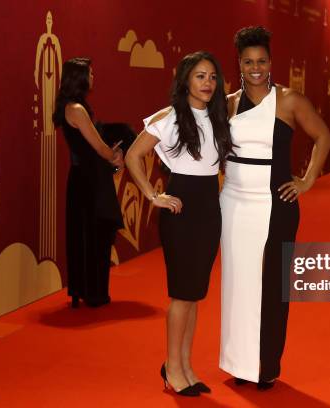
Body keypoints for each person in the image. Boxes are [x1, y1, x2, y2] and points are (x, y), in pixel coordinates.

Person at [220, 26, 330, 390]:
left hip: (277, 203)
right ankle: (239, 363)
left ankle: (265, 366)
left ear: (271, 62)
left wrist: (307, 180)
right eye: (248, 62)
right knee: (238, 284)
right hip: (235, 203)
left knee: (271, 287)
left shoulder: (289, 100)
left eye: (262, 61)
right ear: (239, 63)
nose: (255, 68)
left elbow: (323, 137)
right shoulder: (229, 103)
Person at [125, 51, 233, 397]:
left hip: (209, 207)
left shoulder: (218, 117)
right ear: (186, 79)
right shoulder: (169, 117)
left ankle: (185, 366)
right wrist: (151, 194)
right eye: (200, 76)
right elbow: (133, 155)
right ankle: (172, 368)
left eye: (212, 77)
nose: (207, 83)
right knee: (181, 295)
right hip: (181, 208)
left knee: (194, 295)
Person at [52, 58, 124, 308]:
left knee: (84, 236)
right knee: (96, 237)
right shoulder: (77, 110)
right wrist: (115, 153)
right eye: (90, 73)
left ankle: (82, 290)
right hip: (89, 183)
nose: (94, 76)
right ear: (80, 77)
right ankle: (94, 294)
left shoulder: (70, 108)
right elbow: (100, 149)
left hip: (82, 181)